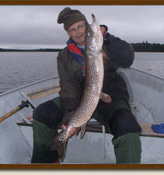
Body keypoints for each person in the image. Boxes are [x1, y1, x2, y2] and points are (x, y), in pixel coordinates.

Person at [31, 7, 142, 164]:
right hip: (79, 101)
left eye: (81, 26)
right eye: (72, 29)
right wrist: (70, 114)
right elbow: (67, 86)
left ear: (87, 26)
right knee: (42, 113)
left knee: (127, 125)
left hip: (110, 97)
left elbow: (127, 58)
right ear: (68, 33)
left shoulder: (104, 45)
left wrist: (107, 38)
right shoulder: (64, 56)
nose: (78, 32)